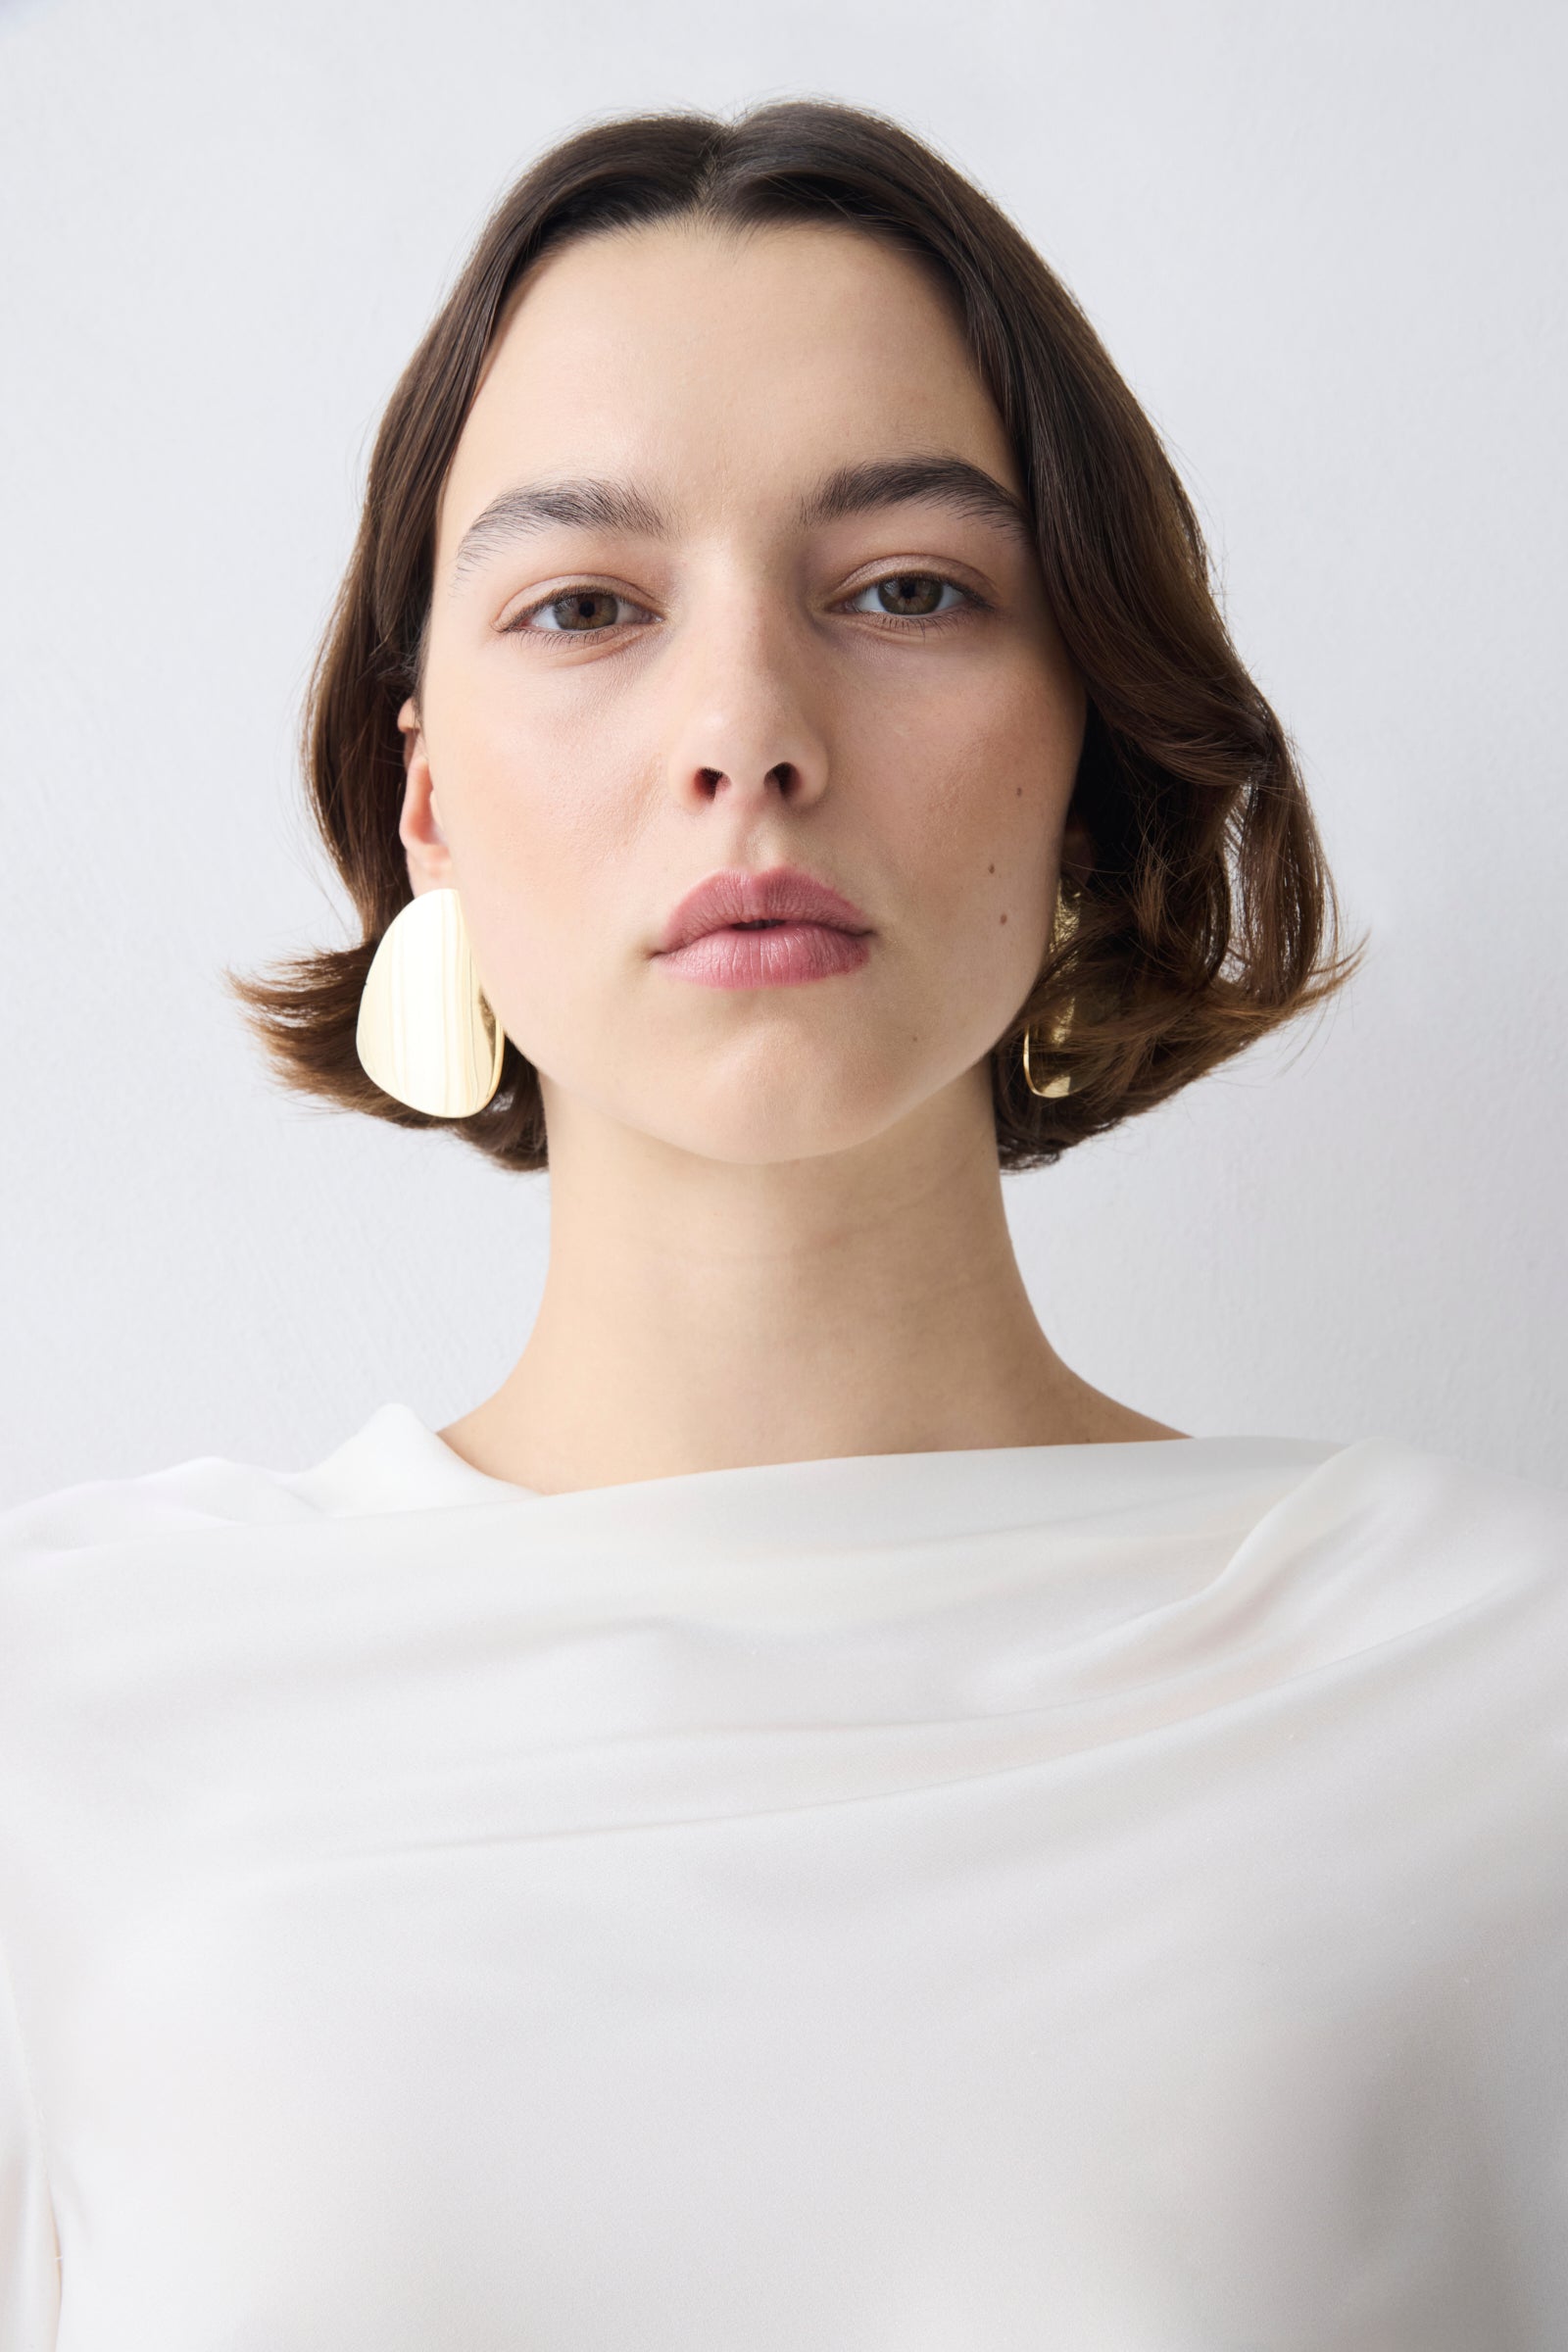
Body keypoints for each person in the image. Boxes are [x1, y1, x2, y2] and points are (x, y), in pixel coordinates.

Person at [1, 100, 1563, 2350]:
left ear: (1085, 750)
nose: (745, 732)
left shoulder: (1491, 1698)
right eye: (586, 607)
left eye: (904, 591)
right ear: (425, 796)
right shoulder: (59, 1719)